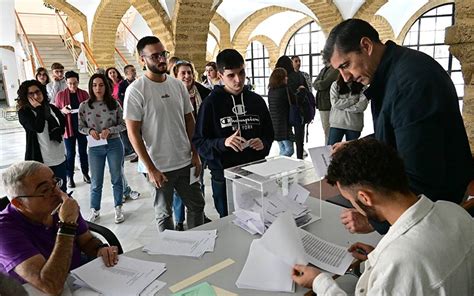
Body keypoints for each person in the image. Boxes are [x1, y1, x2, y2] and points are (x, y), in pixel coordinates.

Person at [323, 18, 473, 234]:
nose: (346, 77)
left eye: (346, 65)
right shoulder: (398, 68)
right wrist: (356, 146)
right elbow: (398, 128)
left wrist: (376, 221)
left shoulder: (409, 82)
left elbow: (420, 179)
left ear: (366, 46)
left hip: (434, 212)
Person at [292, 138, 473, 295]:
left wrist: (319, 282)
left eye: (350, 200)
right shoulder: (453, 211)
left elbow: (405, 265)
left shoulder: (397, 263)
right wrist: (377, 256)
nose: (354, 206)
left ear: (365, 198)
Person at [0, 161, 120, 294]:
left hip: (78, 277)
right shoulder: (5, 230)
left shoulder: (59, 203)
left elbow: (86, 240)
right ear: (19, 203)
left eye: (55, 182)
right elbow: (51, 286)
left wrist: (100, 249)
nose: (58, 192)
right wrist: (67, 226)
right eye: (45, 190)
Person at [124, 36, 205, 231]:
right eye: (155, 56)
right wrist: (150, 168)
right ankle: (170, 253)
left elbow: (189, 120)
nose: (161, 60)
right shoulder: (136, 90)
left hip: (184, 161)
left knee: (196, 205)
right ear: (142, 59)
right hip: (159, 166)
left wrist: (195, 153)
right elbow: (133, 133)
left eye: (163, 54)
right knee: (164, 213)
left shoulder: (177, 85)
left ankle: (198, 242)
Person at [193, 49, 274, 217]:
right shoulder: (210, 104)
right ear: (220, 76)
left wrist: (263, 143)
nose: (238, 80)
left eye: (242, 73)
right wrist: (223, 143)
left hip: (256, 172)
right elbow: (200, 142)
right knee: (230, 222)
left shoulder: (256, 101)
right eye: (231, 75)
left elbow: (269, 133)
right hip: (224, 176)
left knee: (260, 218)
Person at [79, 74, 126, 224]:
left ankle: (118, 207)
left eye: (101, 85)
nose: (98, 88)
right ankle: (95, 209)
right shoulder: (85, 106)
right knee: (96, 180)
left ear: (106, 86)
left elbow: (123, 124)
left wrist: (110, 130)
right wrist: (90, 131)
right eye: (94, 85)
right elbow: (80, 127)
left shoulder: (114, 103)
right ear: (91, 87)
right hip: (95, 147)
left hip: (114, 144)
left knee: (117, 177)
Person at [172, 60, 211, 230]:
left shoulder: (203, 93)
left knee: (197, 182)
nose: (187, 76)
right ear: (176, 76)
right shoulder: (172, 93)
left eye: (189, 72)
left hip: (199, 144)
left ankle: (198, 214)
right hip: (179, 147)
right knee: (179, 188)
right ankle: (179, 220)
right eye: (183, 73)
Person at [17, 80, 67, 192]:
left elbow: (62, 124)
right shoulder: (24, 113)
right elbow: (38, 127)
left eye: (38, 91)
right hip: (41, 161)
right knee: (47, 195)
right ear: (26, 96)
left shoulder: (51, 108)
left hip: (59, 157)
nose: (36, 95)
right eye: (31, 93)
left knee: (62, 190)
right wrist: (39, 109)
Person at [55, 71, 90, 188]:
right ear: (66, 82)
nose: (72, 86)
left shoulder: (84, 94)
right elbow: (56, 112)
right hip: (68, 128)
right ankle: (70, 176)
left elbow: (90, 109)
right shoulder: (60, 95)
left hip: (81, 127)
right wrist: (62, 111)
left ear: (78, 82)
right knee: (70, 154)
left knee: (83, 152)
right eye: (70, 83)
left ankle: (85, 173)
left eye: (75, 83)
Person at [275, 55, 307, 159]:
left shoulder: (275, 79)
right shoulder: (296, 75)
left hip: (280, 116)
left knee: (284, 146)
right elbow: (300, 95)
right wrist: (301, 91)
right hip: (296, 111)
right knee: (297, 141)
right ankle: (299, 159)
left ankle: (283, 165)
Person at [327, 76, 368, 145]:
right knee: (331, 150)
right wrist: (353, 101)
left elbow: (361, 107)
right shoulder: (336, 85)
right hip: (337, 123)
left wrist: (342, 107)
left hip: (354, 125)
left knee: (353, 152)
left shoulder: (363, 87)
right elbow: (335, 103)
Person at [267, 67, 294, 157]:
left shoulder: (271, 91)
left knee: (282, 148)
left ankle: (280, 168)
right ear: (280, 78)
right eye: (285, 76)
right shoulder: (285, 90)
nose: (287, 78)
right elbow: (295, 101)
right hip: (284, 125)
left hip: (274, 124)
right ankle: (277, 164)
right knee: (289, 150)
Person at [313, 59, 339, 144]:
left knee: (329, 130)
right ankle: (327, 148)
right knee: (326, 129)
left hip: (328, 103)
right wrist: (319, 83)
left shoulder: (335, 69)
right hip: (322, 104)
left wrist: (319, 83)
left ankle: (329, 150)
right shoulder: (323, 69)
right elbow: (314, 84)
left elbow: (324, 84)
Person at [118, 64, 139, 162]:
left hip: (140, 110)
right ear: (127, 73)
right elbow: (121, 98)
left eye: (134, 70)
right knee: (133, 133)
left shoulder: (138, 82)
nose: (135, 72)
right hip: (129, 111)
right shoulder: (122, 85)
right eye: (132, 70)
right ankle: (136, 153)